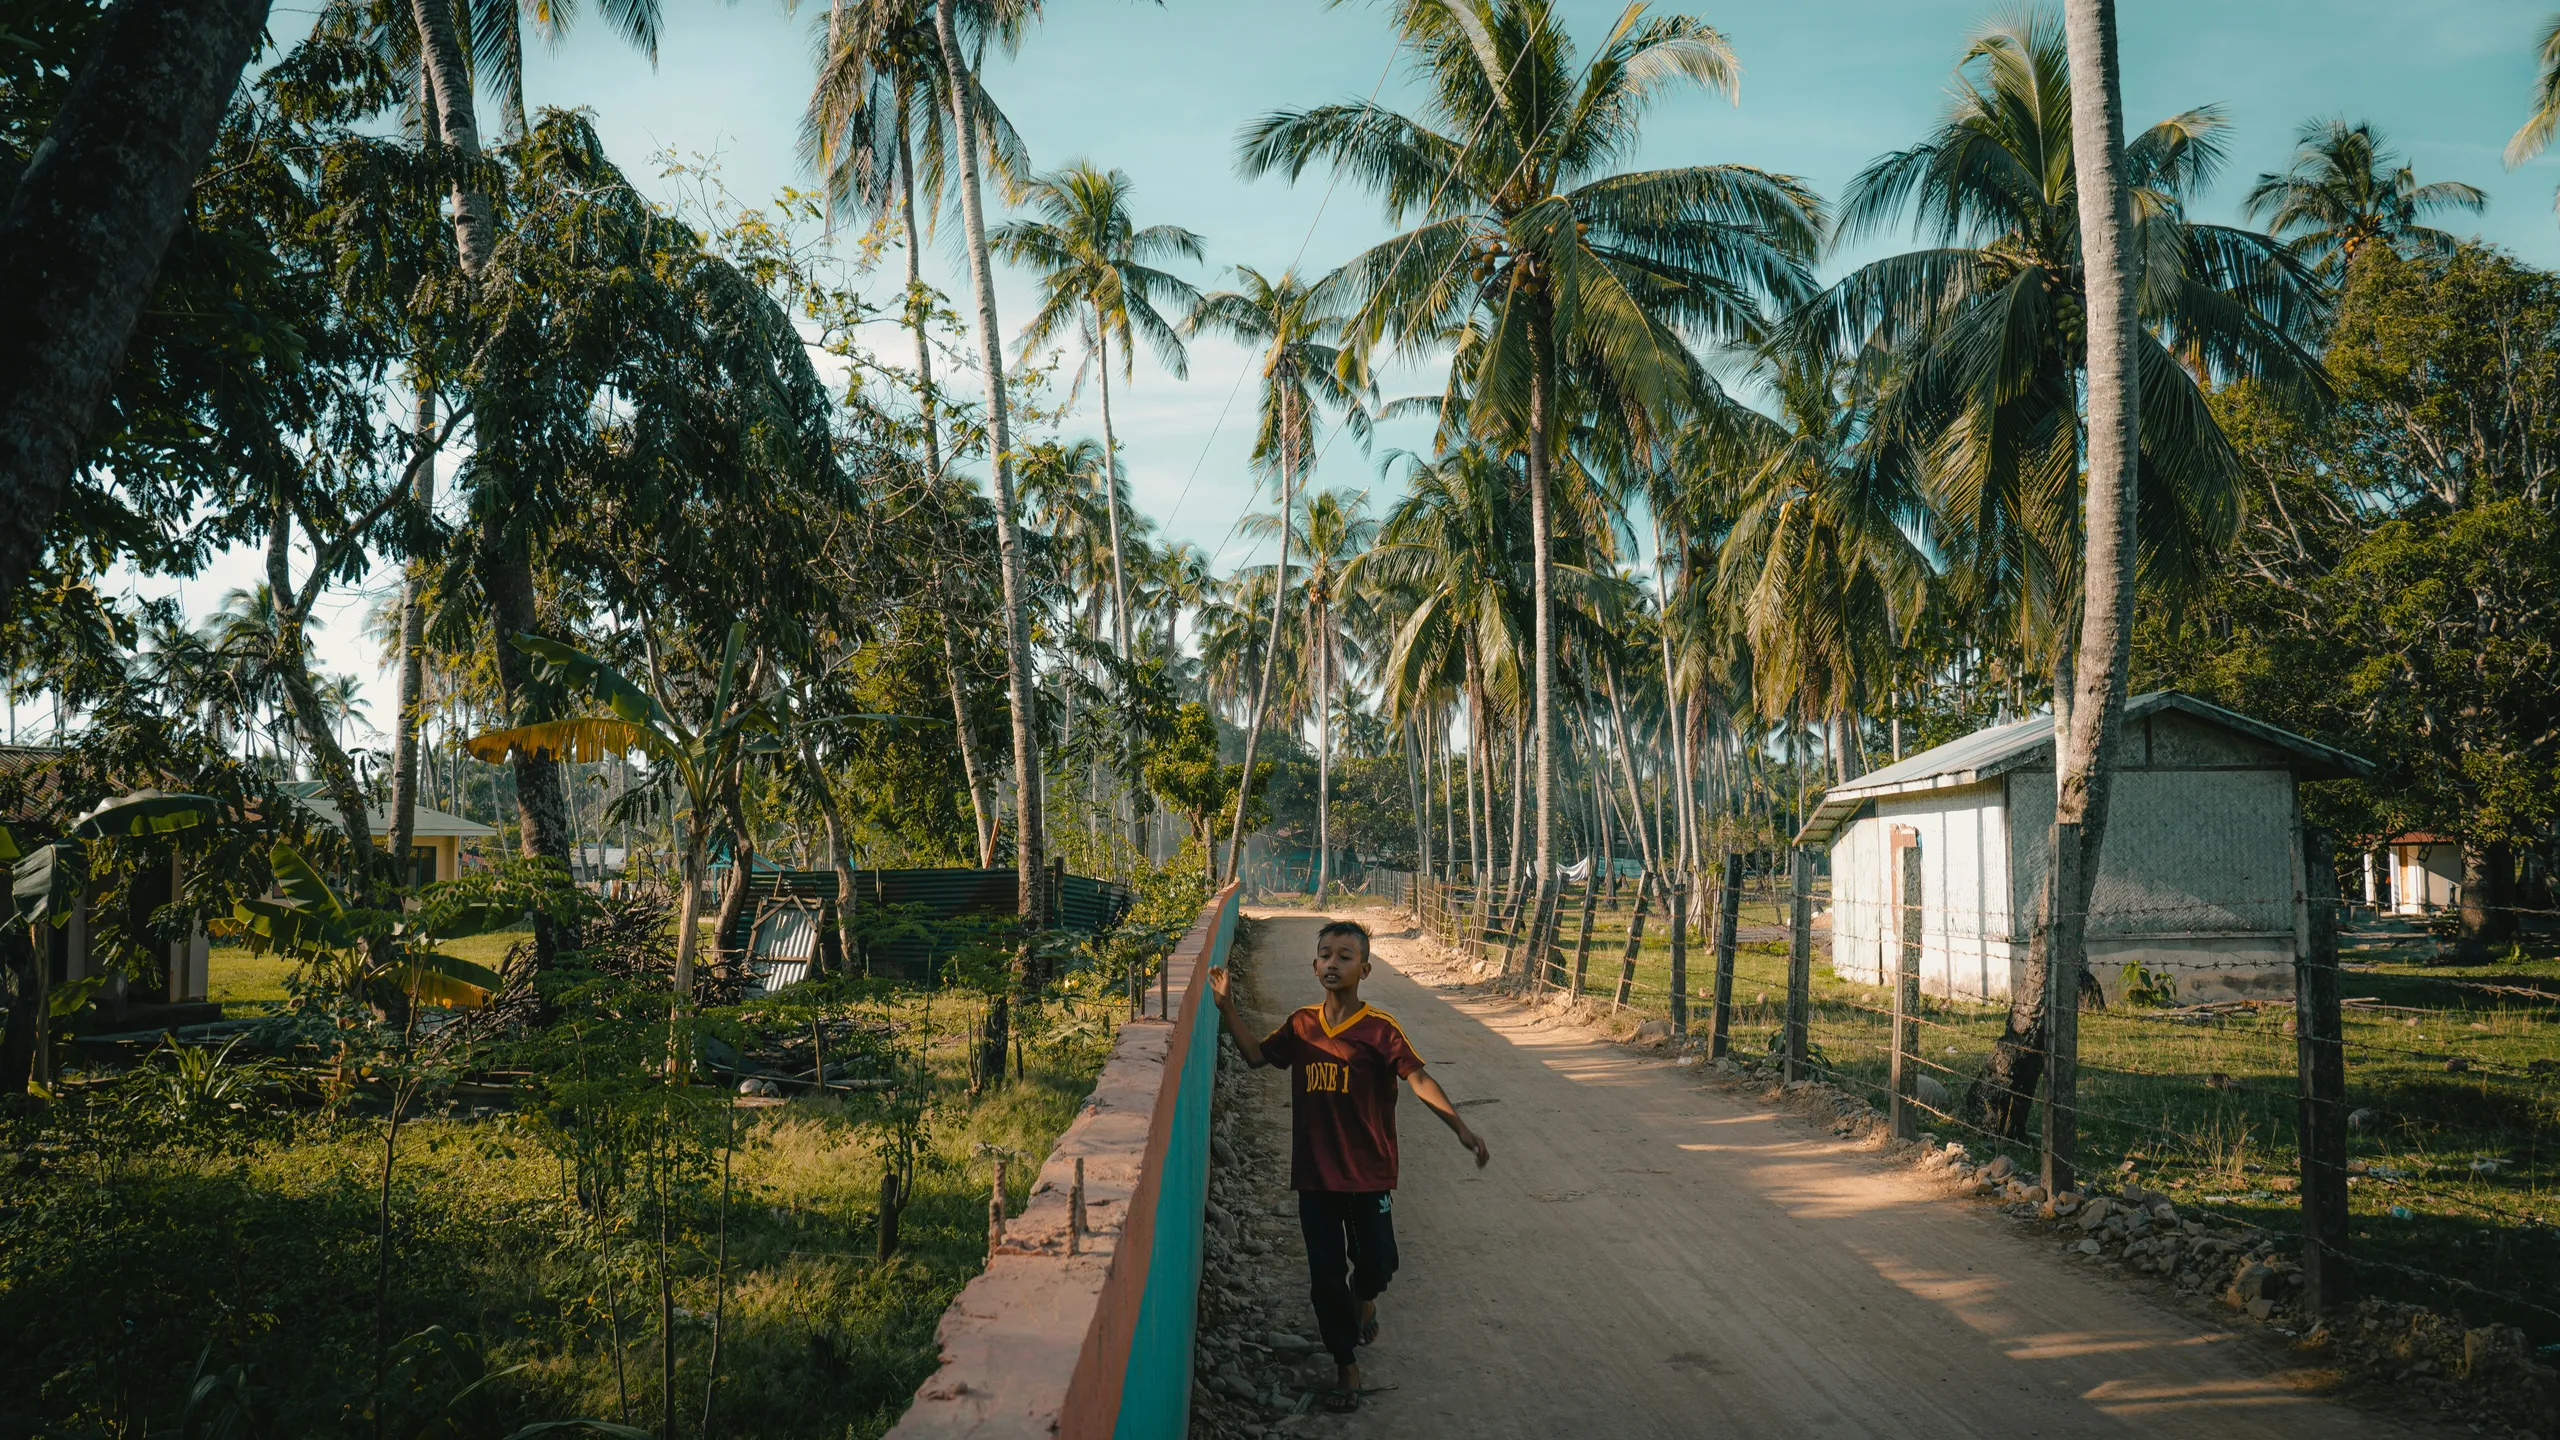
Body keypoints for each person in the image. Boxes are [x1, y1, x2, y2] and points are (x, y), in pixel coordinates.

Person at [1206, 918, 1490, 1413]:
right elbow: (1254, 1056)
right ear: (1314, 965)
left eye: (1344, 955)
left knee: (1378, 1264)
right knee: (1324, 1275)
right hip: (1316, 1177)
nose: (1333, 962)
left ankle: (1367, 1298)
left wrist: (1460, 1127)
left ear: (1366, 968)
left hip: (1369, 1174)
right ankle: (1346, 1366)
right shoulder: (1300, 1025)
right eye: (1325, 954)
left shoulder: (1380, 1031)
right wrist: (1226, 1004)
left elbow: (1419, 1080)